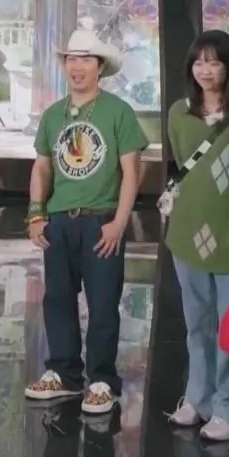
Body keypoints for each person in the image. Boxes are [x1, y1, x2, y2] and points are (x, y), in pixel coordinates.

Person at [24, 28, 148, 416]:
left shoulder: (117, 111)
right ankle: (63, 373)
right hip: (59, 221)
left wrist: (119, 222)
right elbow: (42, 167)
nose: (76, 67)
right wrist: (36, 214)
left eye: (85, 60)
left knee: (103, 303)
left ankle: (102, 381)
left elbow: (132, 172)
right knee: (57, 300)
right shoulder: (53, 114)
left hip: (101, 222)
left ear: (100, 67)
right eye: (71, 59)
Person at [162, 30, 229, 441]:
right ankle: (198, 399)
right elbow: (183, 164)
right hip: (186, 234)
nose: (205, 69)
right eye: (199, 61)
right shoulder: (178, 114)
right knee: (196, 323)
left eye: (214, 61)